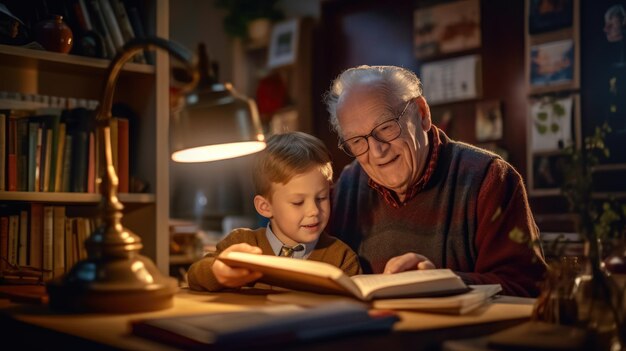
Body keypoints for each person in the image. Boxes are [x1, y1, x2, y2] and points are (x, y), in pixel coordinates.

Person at [323, 65, 547, 297]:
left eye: (386, 127)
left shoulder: (489, 179)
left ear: (422, 114)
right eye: (357, 141)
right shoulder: (346, 187)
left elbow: (529, 287)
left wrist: (440, 282)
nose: (377, 151)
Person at [187, 131, 362, 292]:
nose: (314, 211)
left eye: (322, 198)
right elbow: (195, 275)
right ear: (265, 207)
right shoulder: (242, 244)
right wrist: (218, 271)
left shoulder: (341, 258)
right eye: (298, 202)